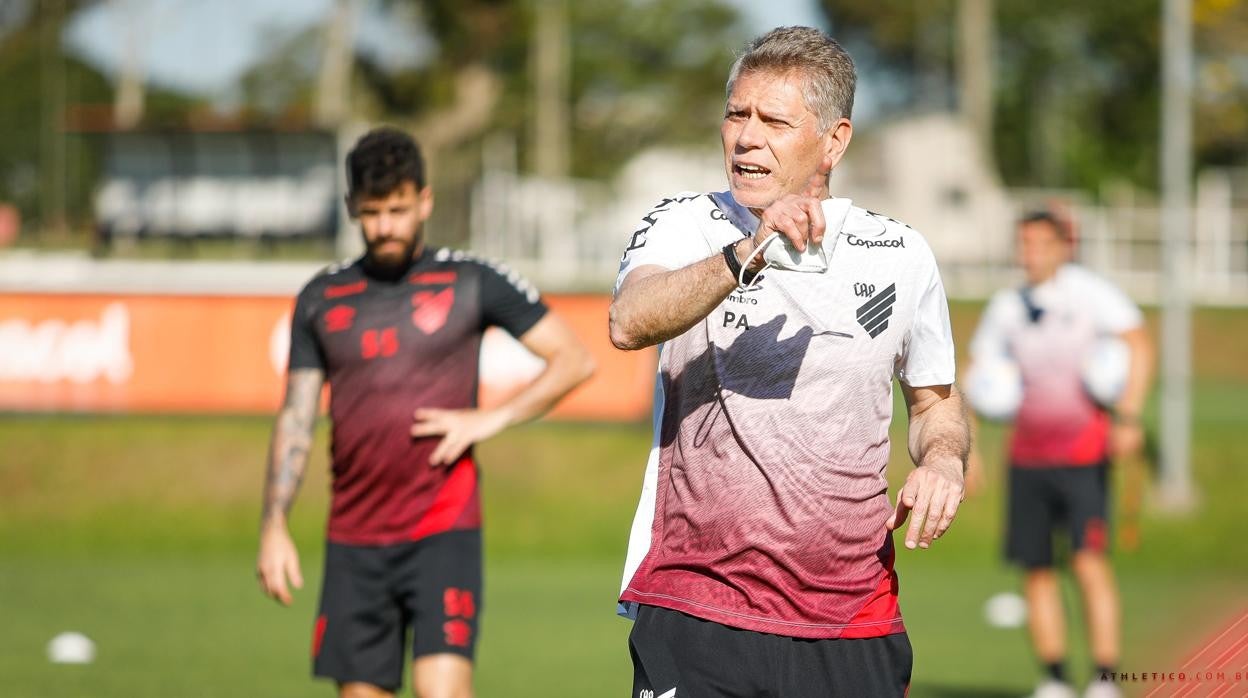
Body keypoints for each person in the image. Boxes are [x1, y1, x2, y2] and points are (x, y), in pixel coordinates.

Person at [609, 27, 970, 697]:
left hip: (853, 620)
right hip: (698, 607)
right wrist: (745, 253)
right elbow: (629, 320)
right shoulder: (687, 224)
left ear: (834, 141)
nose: (746, 138)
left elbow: (934, 403)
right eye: (736, 115)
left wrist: (944, 462)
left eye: (773, 121)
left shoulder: (901, 253)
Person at [255, 127, 595, 698]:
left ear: (425, 201)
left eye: (397, 209)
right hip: (354, 538)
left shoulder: (471, 280)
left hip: (443, 529)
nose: (385, 226)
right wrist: (273, 525)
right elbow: (295, 418)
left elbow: (574, 360)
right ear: (351, 208)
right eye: (371, 212)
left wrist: (490, 419)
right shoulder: (321, 297)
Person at [967, 211, 1153, 698]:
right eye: (1023, 243)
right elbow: (978, 374)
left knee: (1089, 563)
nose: (1030, 253)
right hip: (1027, 458)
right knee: (1036, 569)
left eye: (1040, 244)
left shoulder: (1090, 294)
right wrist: (969, 451)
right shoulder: (1007, 306)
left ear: (1063, 247)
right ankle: (1055, 679)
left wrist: (1129, 416)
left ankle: (1104, 678)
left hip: (1084, 456)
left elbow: (1139, 343)